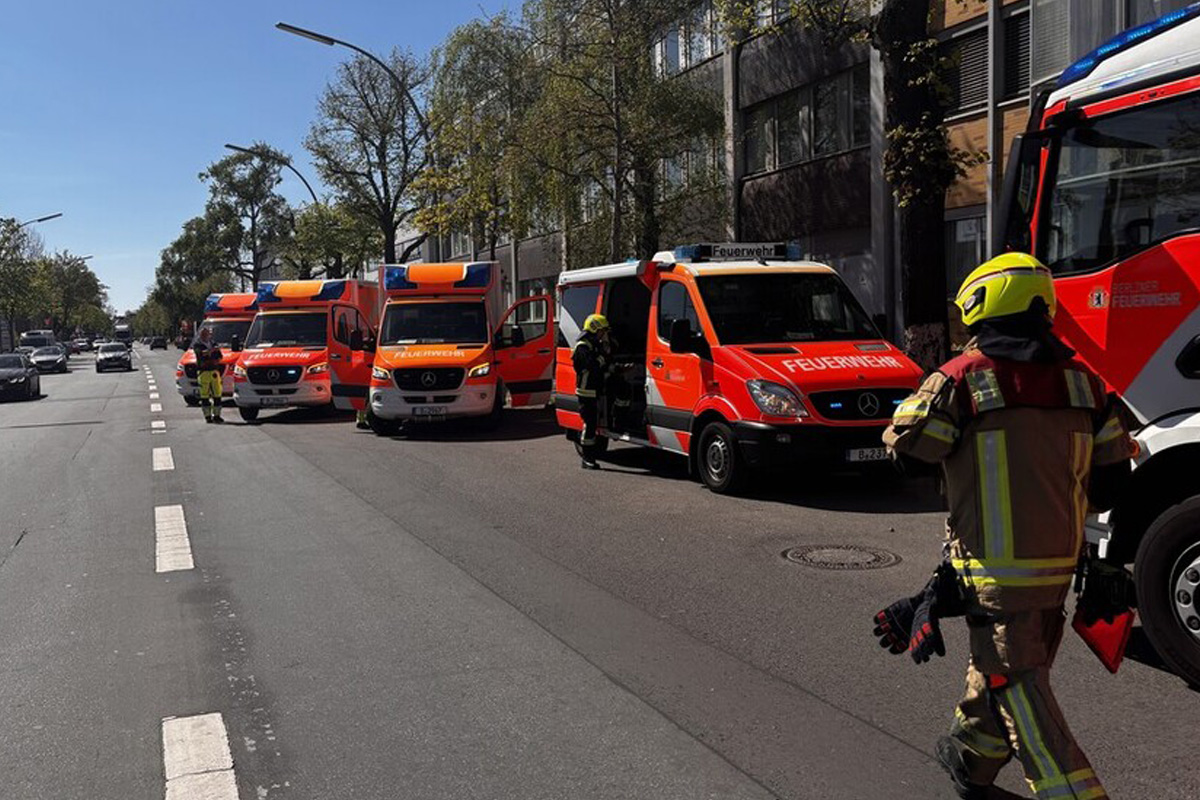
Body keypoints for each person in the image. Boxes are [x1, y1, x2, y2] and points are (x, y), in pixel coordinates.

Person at [882, 253, 1135, 800]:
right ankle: (972, 757)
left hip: (993, 575)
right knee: (1004, 665)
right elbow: (1115, 484)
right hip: (1058, 573)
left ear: (980, 307)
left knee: (1016, 684)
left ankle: (1076, 792)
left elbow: (911, 453)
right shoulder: (1088, 384)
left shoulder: (962, 379)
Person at [573, 314, 614, 469]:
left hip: (594, 390)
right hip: (586, 392)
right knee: (589, 426)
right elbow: (592, 366)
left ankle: (590, 456)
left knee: (593, 424)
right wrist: (603, 356)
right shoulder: (582, 347)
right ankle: (587, 459)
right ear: (595, 329)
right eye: (602, 331)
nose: (603, 334)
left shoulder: (593, 345)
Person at [193, 327, 224, 424]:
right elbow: (200, 354)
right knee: (204, 395)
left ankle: (217, 415)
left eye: (207, 334)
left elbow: (219, 356)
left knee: (217, 394)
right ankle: (208, 416)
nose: (205, 335)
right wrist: (211, 351)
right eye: (203, 334)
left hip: (214, 372)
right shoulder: (197, 345)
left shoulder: (213, 343)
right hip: (203, 373)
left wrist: (214, 356)